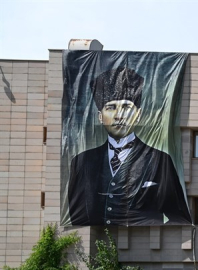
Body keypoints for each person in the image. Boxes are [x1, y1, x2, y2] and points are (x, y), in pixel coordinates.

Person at [66, 66, 191, 226]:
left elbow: (177, 217)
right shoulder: (82, 161)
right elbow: (76, 216)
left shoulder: (160, 160)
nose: (119, 115)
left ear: (138, 115)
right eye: (110, 108)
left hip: (143, 244)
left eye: (126, 107)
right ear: (100, 117)